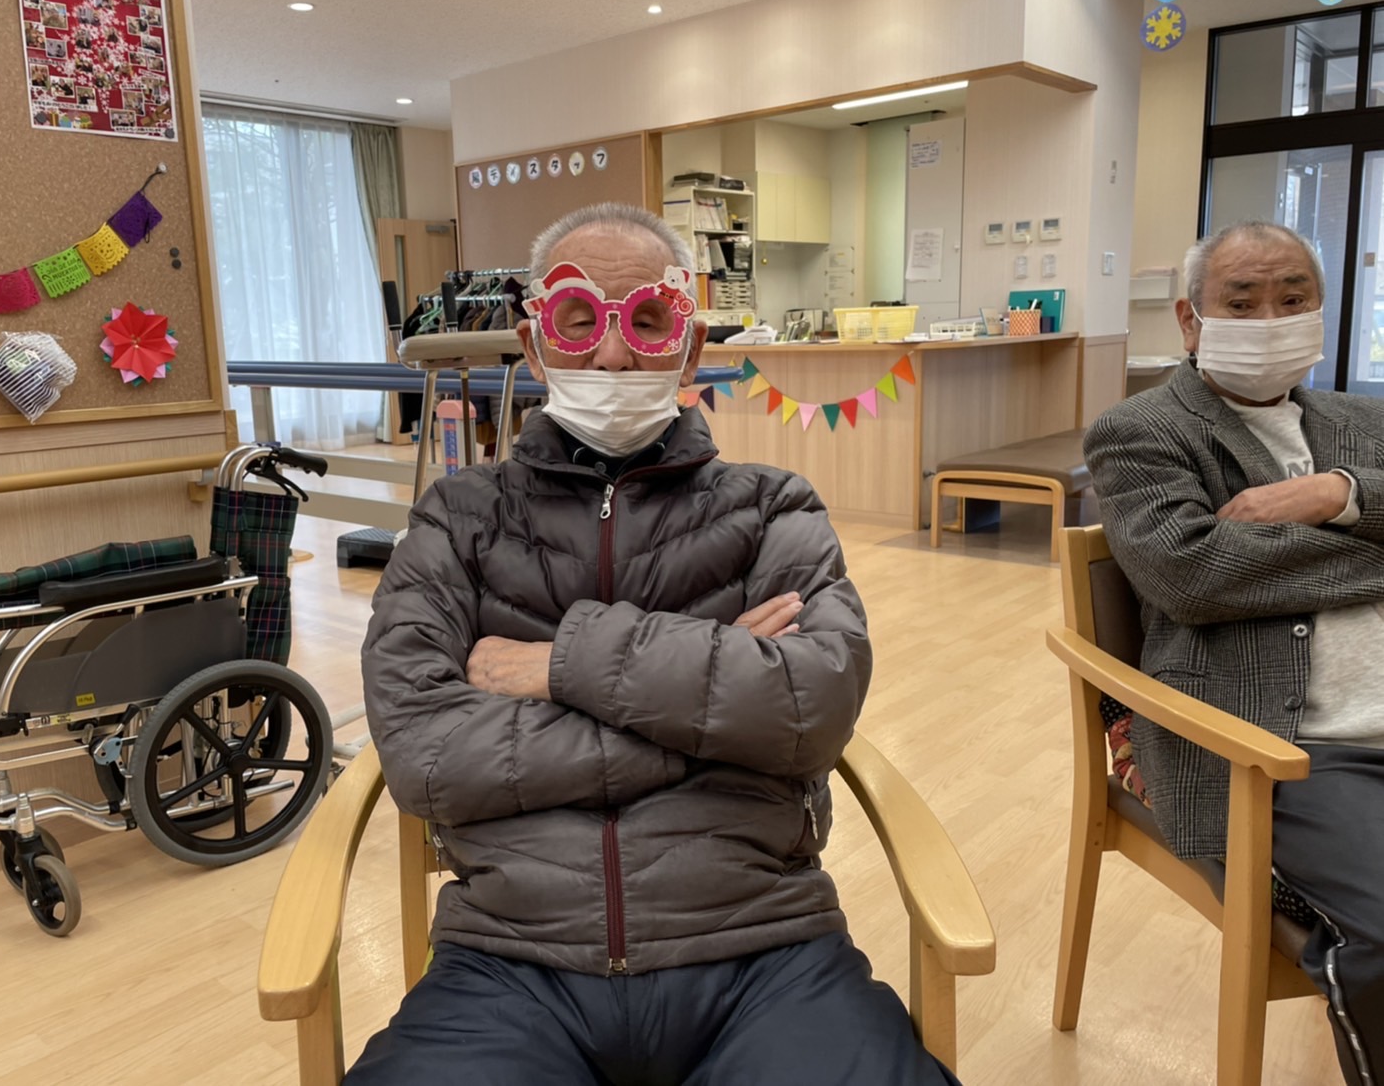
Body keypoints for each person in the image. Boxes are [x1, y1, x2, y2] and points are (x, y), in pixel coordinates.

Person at [356, 202, 956, 1084]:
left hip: (764, 947)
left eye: (645, 321)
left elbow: (813, 706)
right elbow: (425, 756)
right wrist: (711, 702)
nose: (610, 355)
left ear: (690, 344)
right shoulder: (459, 518)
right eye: (577, 320)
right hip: (511, 960)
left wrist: (560, 664)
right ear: (534, 347)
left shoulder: (772, 507)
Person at [1085, 219, 1384, 1085]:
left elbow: (1247, 559)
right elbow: (1195, 575)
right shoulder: (1140, 430)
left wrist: (1338, 494)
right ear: (1191, 320)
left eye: (1293, 299)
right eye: (1242, 302)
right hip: (1284, 745)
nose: (1270, 320)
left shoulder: (1364, 423)